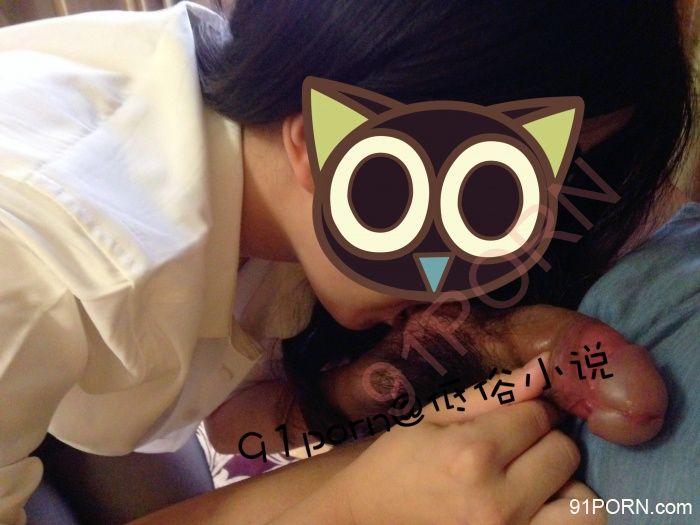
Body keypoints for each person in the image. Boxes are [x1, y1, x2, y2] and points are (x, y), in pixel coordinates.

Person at [0, 1, 692, 524]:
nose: (506, 261)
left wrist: (491, 348)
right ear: (320, 141)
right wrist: (351, 510)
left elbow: (225, 417)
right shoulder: (40, 263)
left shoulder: (262, 158)